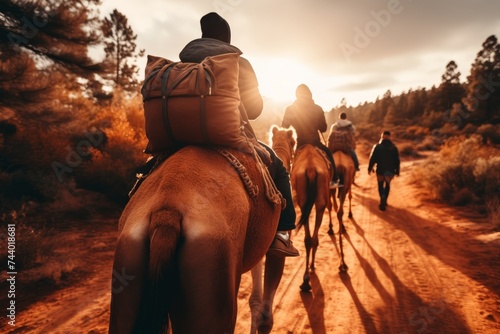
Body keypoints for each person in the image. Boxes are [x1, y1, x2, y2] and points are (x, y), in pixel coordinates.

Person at [281, 84, 341, 189]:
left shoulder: (290, 109)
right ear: (310, 94)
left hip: (300, 143)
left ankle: (287, 183)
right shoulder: (317, 108)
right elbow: (323, 128)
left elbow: (284, 126)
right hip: (315, 142)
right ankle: (334, 179)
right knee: (328, 153)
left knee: (291, 162)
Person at [368, 131, 400, 211]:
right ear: (389, 137)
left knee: (380, 185)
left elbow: (372, 158)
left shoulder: (377, 146)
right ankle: (385, 200)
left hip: (380, 170)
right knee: (388, 185)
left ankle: (382, 197)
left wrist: (370, 168)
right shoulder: (394, 147)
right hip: (390, 171)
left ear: (382, 137)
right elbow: (397, 160)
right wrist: (397, 171)